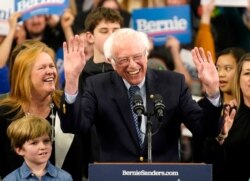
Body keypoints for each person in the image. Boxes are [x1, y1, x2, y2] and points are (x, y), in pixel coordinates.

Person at [58, 29, 222, 164]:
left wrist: (213, 92)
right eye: (123, 60)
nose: (133, 65)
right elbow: (75, 126)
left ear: (146, 54)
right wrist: (72, 79)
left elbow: (203, 128)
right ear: (111, 61)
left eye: (137, 57)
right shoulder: (98, 86)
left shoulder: (173, 83)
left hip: (164, 176)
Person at [0, 40, 84, 181]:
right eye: (42, 68)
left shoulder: (67, 105)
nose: (50, 71)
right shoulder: (4, 113)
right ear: (24, 75)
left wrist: (72, 78)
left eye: (52, 66)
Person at [77, 7, 123, 178]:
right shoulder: (79, 75)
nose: (111, 35)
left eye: (116, 31)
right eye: (104, 31)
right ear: (90, 36)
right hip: (93, 164)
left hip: (131, 162)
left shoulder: (133, 72)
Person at [199, 52, 250, 181]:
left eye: (227, 68)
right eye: (247, 73)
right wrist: (221, 137)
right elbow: (208, 163)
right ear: (238, 79)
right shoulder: (230, 117)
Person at [3, 115, 73, 181]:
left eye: (46, 141)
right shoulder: (11, 179)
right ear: (20, 150)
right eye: (34, 143)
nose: (43, 147)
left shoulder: (64, 177)